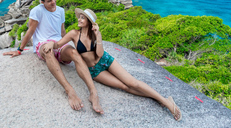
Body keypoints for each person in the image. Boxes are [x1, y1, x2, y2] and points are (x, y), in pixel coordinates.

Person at [43, 8, 182, 121]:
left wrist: (98, 37)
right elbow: (58, 44)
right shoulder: (74, 34)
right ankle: (158, 98)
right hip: (94, 71)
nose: (79, 19)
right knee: (124, 87)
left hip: (106, 60)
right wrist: (50, 43)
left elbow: (99, 53)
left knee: (133, 83)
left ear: (89, 22)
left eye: (82, 18)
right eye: (79, 17)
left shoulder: (95, 34)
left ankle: (167, 102)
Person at [3, 0, 103, 114]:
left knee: (74, 53)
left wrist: (73, 46)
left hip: (57, 42)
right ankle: (69, 91)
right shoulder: (36, 11)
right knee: (48, 52)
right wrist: (19, 50)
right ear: (42, 2)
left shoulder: (60, 11)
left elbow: (62, 32)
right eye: (49, 1)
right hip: (43, 43)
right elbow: (30, 31)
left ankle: (93, 93)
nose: (53, 2)